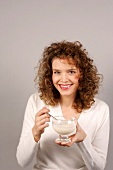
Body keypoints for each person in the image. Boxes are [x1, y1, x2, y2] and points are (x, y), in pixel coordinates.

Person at [16, 41, 110, 170]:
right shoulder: (36, 101)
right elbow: (22, 162)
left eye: (71, 72)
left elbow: (99, 167)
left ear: (82, 74)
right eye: (57, 72)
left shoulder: (100, 109)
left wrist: (83, 140)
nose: (64, 79)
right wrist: (35, 133)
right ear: (50, 74)